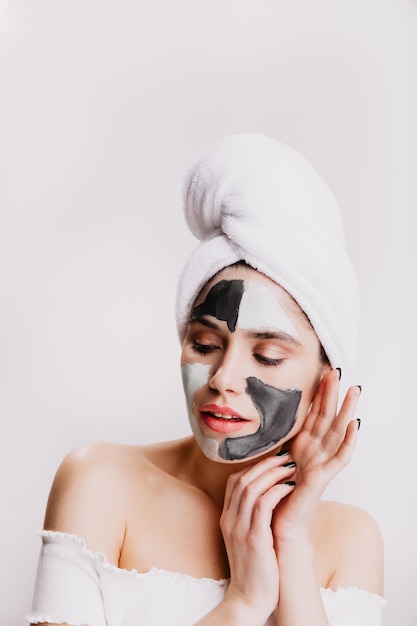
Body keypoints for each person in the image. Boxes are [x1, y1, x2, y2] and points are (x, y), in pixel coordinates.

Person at [27, 133, 386, 626]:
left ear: (326, 381)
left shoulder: (351, 540)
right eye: (205, 345)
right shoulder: (102, 481)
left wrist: (293, 545)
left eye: (267, 355)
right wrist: (243, 603)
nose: (224, 378)